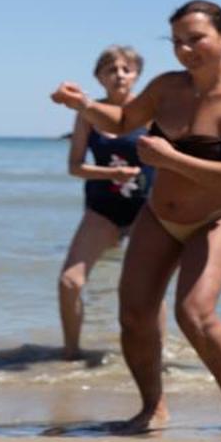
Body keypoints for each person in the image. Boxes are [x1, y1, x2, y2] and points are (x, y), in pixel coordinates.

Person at [50, 0, 221, 433]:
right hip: (160, 214)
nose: (185, 50)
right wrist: (83, 106)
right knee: (133, 313)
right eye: (177, 42)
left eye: (196, 39)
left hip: (220, 214)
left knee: (195, 312)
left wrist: (170, 159)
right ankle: (153, 407)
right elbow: (124, 118)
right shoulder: (167, 86)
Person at [56, 45, 149, 359]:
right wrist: (112, 173)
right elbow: (74, 166)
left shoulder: (149, 113)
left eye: (126, 69)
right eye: (111, 69)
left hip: (145, 209)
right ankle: (71, 353)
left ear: (136, 75)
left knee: (146, 289)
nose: (119, 75)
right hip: (102, 209)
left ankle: (153, 353)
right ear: (99, 77)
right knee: (69, 282)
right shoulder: (88, 115)